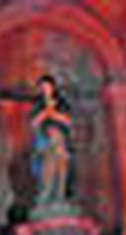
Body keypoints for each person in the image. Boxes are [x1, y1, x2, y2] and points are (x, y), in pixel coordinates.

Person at [30, 73, 73, 208]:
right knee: (48, 164)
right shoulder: (38, 104)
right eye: (42, 87)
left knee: (61, 164)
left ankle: (60, 196)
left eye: (47, 87)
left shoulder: (61, 102)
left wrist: (53, 113)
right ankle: (46, 193)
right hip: (44, 140)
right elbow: (34, 122)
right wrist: (45, 113)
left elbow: (67, 120)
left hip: (60, 138)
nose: (45, 90)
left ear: (53, 87)